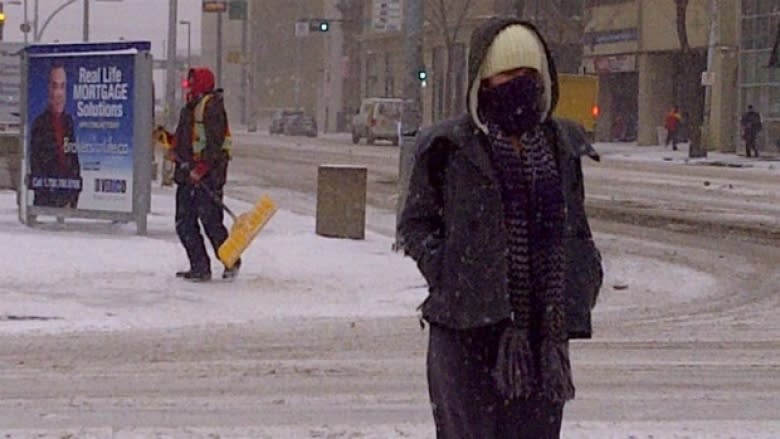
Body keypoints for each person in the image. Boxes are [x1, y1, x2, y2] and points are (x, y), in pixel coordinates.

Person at [398, 18, 603, 438]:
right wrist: (450, 272)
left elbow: (576, 229)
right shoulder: (449, 147)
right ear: (484, 80)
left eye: (531, 74)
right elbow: (416, 224)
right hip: (465, 335)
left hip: (541, 341)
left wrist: (584, 279)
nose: (521, 84)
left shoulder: (561, 145)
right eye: (509, 74)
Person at [172, 67, 238, 282]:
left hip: (206, 177)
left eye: (191, 83)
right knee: (185, 222)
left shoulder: (211, 107)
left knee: (210, 222)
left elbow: (215, 144)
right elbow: (185, 140)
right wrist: (173, 150)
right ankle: (199, 267)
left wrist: (201, 169)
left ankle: (231, 259)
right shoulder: (189, 108)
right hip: (187, 177)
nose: (187, 87)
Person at [29, 62, 81, 208]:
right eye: (54, 86)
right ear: (48, 89)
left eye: (62, 86)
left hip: (67, 197)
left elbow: (73, 158)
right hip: (48, 199)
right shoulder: (40, 124)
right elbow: (37, 164)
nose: (58, 93)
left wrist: (73, 194)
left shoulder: (68, 122)